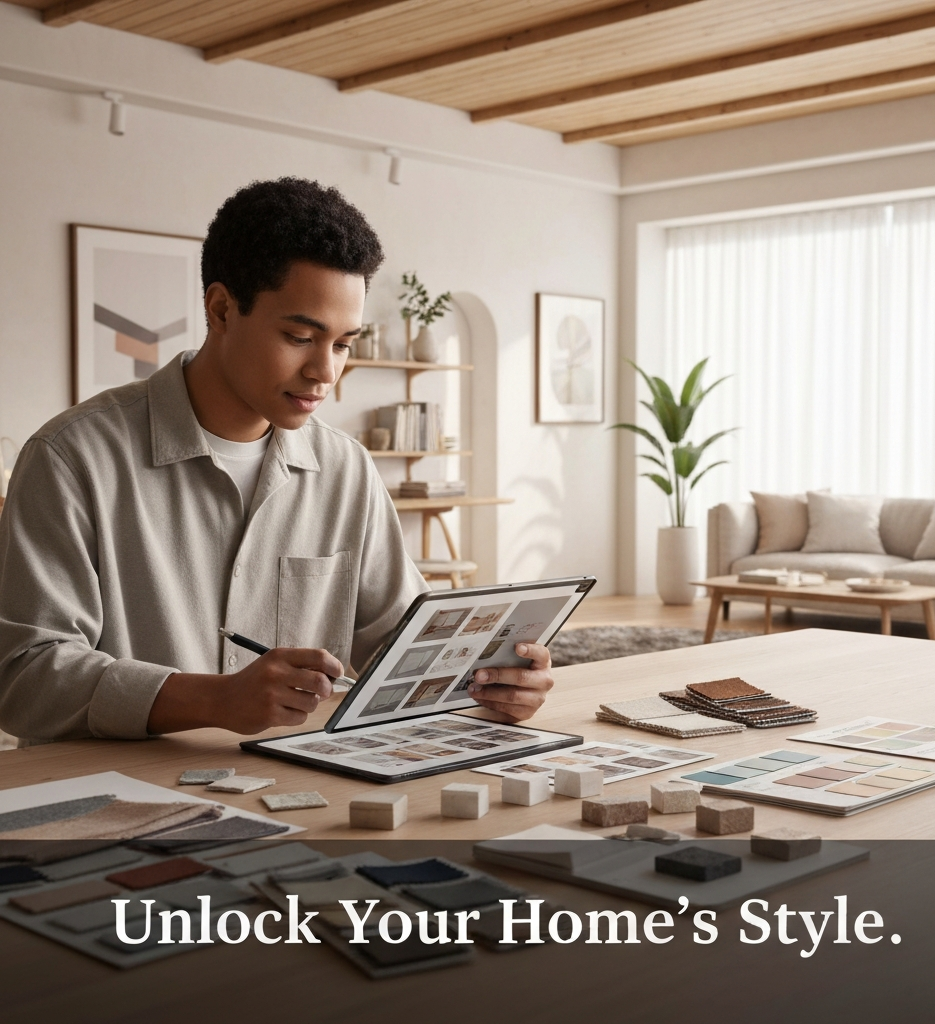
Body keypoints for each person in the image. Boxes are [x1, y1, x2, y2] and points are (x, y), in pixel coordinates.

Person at [0, 178, 554, 745]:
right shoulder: (71, 459)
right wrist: (214, 699)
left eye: (343, 344)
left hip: (299, 781)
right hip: (113, 789)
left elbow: (400, 645)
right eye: (299, 336)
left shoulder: (346, 469)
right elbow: (23, 678)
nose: (325, 372)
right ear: (221, 308)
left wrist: (488, 680)